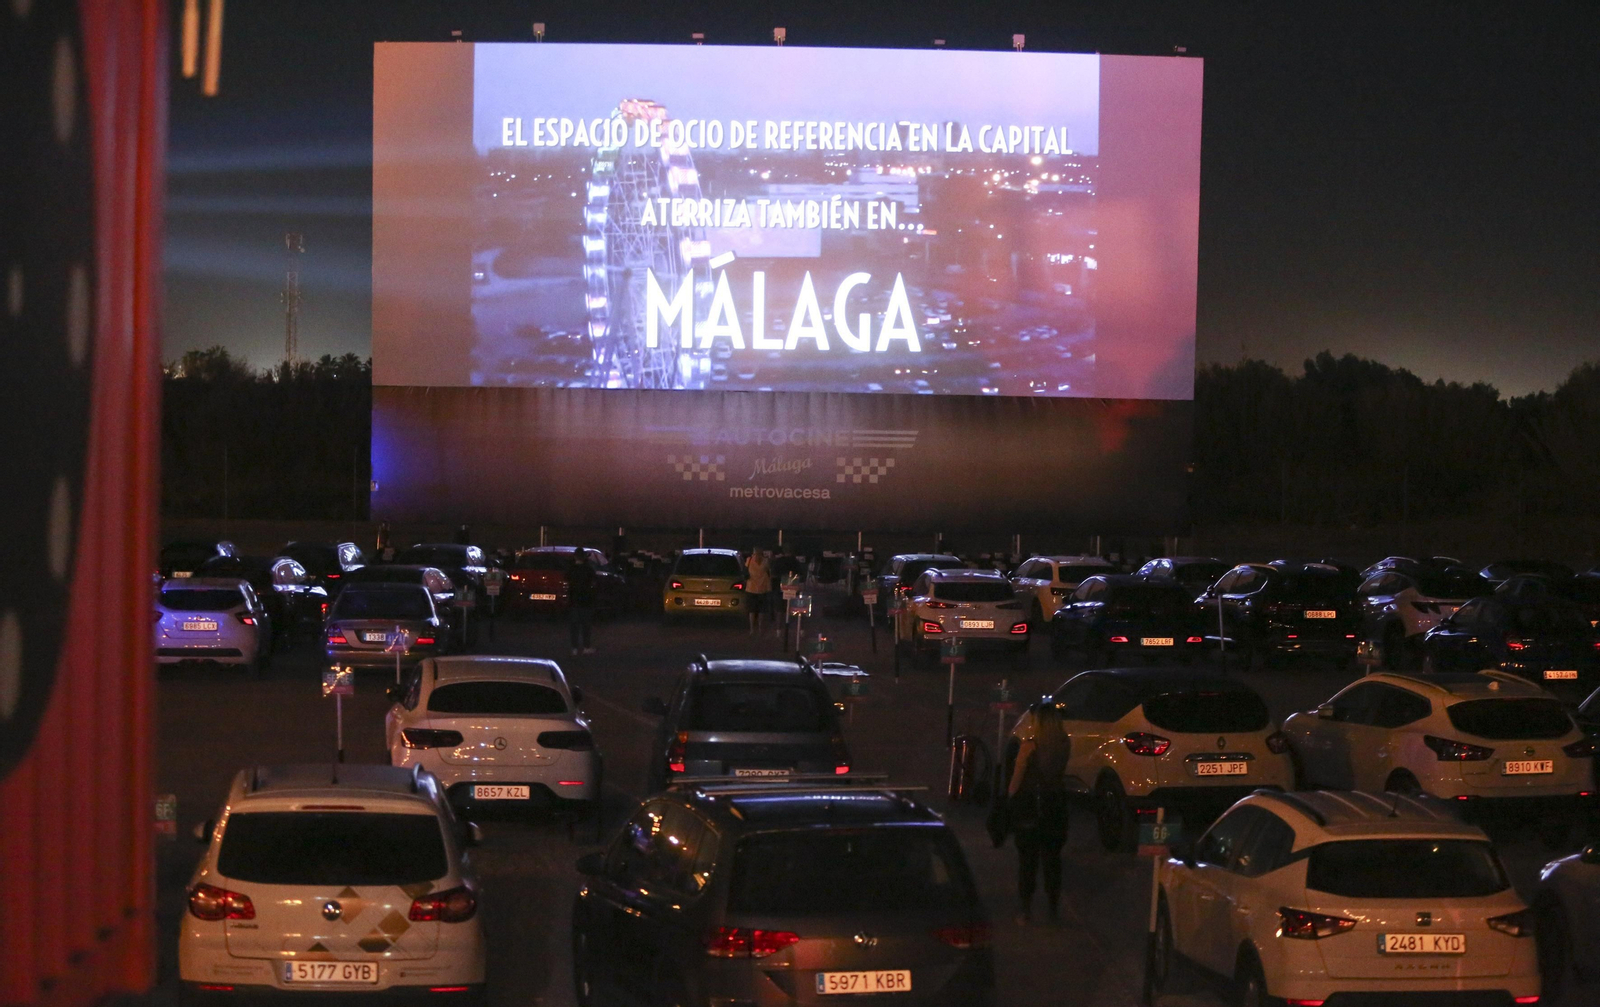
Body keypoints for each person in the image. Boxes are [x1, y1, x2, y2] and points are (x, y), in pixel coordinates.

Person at [1006, 702, 1070, 924]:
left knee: (1028, 861)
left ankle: (1025, 910)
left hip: (1030, 808)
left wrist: (1009, 797)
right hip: (1055, 807)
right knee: (1052, 860)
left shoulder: (1030, 746)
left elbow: (1016, 780)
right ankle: (1053, 910)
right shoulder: (1063, 743)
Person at [566, 550, 597, 655]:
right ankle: (586, 646)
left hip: (574, 599)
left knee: (574, 626)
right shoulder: (588, 569)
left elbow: (567, 580)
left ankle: (574, 647)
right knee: (586, 625)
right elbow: (594, 582)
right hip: (585, 600)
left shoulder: (571, 569)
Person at [744, 548, 772, 635]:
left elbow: (745, 570)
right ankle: (760, 629)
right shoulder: (765, 561)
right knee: (761, 611)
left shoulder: (749, 560)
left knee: (751, 610)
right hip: (763, 588)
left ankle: (752, 629)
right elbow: (769, 572)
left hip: (751, 588)